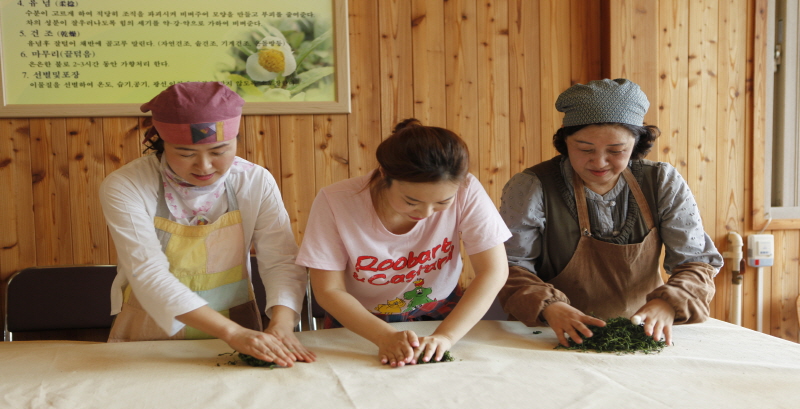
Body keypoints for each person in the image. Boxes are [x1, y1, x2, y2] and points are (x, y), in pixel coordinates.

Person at [99, 81, 314, 366]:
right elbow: (146, 271)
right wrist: (232, 333)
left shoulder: (254, 181)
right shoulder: (127, 185)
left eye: (219, 151)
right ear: (162, 143)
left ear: (236, 140)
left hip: (238, 322)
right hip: (151, 334)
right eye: (185, 153)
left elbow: (281, 259)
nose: (205, 167)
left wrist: (282, 325)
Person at [498, 78, 723, 347]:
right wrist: (549, 307)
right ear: (565, 142)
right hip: (547, 334)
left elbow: (697, 261)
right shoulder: (532, 186)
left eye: (616, 150)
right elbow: (509, 267)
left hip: (642, 332)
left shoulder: (661, 181)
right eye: (584, 149)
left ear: (637, 143)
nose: (599, 161)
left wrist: (669, 302)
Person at [296, 119, 511, 367]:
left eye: (442, 203)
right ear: (384, 174)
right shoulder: (336, 201)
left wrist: (445, 337)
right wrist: (383, 336)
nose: (427, 212)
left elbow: (493, 270)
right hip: (361, 318)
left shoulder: (468, 189)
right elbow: (329, 290)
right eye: (411, 201)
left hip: (440, 309)